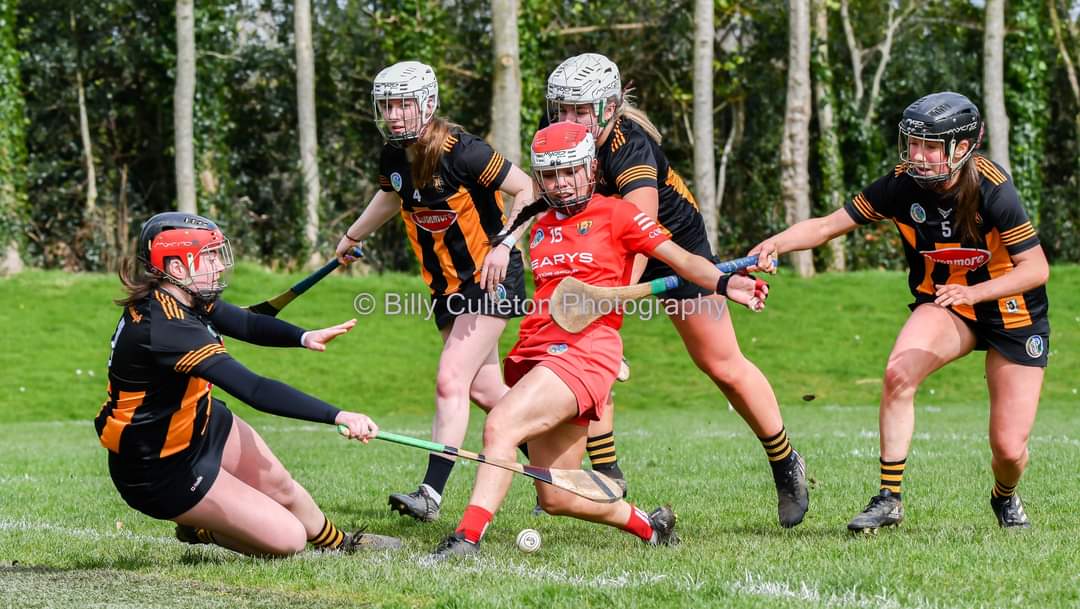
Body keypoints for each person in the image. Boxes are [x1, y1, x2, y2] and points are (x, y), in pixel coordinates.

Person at [432, 121, 769, 559]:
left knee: (500, 425)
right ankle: (650, 528)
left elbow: (683, 260)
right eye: (550, 175)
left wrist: (726, 284)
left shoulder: (619, 214)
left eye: (570, 171)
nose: (561, 182)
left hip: (586, 350)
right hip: (537, 349)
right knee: (556, 494)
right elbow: (506, 219)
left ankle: (467, 539)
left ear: (590, 169)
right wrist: (501, 245)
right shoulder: (537, 219)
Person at [525, 53, 808, 527]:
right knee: (582, 355)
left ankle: (785, 462)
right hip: (599, 243)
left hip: (671, 245)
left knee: (721, 364)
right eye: (560, 109)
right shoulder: (559, 127)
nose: (566, 120)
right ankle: (608, 475)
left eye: (579, 111)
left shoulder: (629, 146)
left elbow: (640, 232)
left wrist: (606, 307)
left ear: (609, 105)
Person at [749, 91, 1050, 532]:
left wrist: (974, 294)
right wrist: (776, 242)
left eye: (930, 146)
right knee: (897, 374)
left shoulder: (992, 187)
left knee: (1008, 450)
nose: (917, 155)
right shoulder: (900, 184)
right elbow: (828, 226)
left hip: (1012, 312)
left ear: (961, 148)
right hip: (947, 304)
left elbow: (1036, 268)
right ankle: (889, 498)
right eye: (912, 143)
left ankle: (1004, 496)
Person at [335, 61, 620, 523]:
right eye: (386, 104)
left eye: (403, 103)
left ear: (427, 104)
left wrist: (505, 243)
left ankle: (431, 492)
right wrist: (352, 235)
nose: (393, 113)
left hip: (489, 282)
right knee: (488, 392)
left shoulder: (462, 152)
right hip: (446, 288)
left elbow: (527, 188)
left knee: (451, 379)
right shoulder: (393, 156)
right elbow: (393, 194)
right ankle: (553, 467)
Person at [95, 212, 400, 556]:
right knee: (289, 540)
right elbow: (254, 390)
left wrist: (304, 336)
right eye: (208, 256)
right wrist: (338, 415)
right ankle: (199, 528)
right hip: (158, 469)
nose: (219, 265)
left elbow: (247, 323)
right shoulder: (166, 327)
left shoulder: (185, 297)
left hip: (201, 423)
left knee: (283, 487)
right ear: (177, 268)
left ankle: (340, 544)